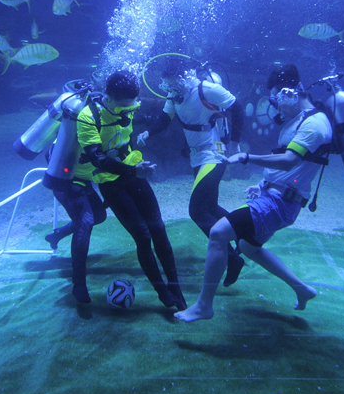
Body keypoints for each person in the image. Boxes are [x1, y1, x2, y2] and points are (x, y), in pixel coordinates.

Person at [175, 64, 326, 322]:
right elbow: (291, 168)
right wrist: (264, 184)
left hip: (279, 204)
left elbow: (290, 161)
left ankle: (203, 306)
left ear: (296, 90)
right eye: (275, 98)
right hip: (274, 196)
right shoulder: (296, 121)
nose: (277, 104)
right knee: (248, 247)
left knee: (218, 233)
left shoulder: (315, 124)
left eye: (280, 96)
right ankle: (303, 290)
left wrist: (247, 157)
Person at [77, 70, 187, 311]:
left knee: (159, 231)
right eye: (124, 104)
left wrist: (147, 129)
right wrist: (134, 172)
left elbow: (133, 121)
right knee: (143, 237)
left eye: (132, 103)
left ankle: (175, 288)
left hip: (132, 170)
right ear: (110, 97)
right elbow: (98, 159)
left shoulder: (129, 105)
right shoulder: (87, 116)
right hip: (110, 182)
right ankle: (163, 293)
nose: (129, 108)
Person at [139, 61, 246, 286]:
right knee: (209, 208)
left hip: (214, 154)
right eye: (168, 85)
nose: (171, 89)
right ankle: (245, 233)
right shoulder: (174, 95)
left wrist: (235, 143)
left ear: (184, 77)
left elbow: (238, 107)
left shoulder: (205, 89)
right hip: (198, 157)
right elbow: (165, 120)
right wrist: (148, 132)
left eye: (174, 83)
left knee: (197, 211)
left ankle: (233, 259)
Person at [42, 85, 107, 304]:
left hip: (81, 179)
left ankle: (58, 233)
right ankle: (78, 284)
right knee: (86, 221)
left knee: (98, 216)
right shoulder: (87, 118)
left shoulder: (104, 116)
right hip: (65, 179)